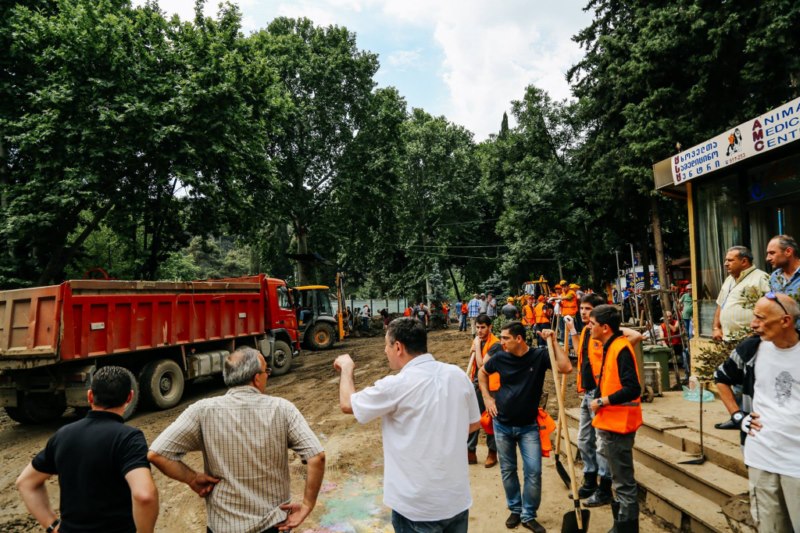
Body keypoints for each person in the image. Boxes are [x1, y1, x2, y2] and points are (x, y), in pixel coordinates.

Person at [148, 347, 325, 533]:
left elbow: (157, 454)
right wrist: (307, 505)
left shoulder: (202, 411)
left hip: (222, 527)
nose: (268, 375)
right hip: (273, 525)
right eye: (266, 370)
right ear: (256, 378)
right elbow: (317, 456)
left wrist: (191, 478)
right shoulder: (283, 409)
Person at [334, 317, 480, 532]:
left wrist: (347, 368)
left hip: (417, 508)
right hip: (456, 501)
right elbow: (474, 424)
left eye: (386, 345)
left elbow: (348, 404)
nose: (385, 350)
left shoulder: (396, 385)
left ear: (398, 347)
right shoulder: (457, 375)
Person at [16, 366, 159, 533]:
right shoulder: (128, 438)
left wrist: (52, 525)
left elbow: (25, 482)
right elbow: (144, 495)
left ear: (90, 395)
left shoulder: (63, 435)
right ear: (129, 397)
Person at [713, 293, 800, 533]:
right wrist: (738, 416)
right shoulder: (751, 349)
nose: (753, 324)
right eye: (754, 317)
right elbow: (721, 377)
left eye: (761, 318)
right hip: (761, 457)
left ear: (785, 321)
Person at [479, 321, 572, 532]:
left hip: (529, 426)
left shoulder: (539, 356)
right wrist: (487, 398)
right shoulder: (500, 357)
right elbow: (482, 373)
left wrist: (553, 342)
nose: (501, 342)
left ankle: (528, 514)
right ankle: (515, 508)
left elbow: (566, 368)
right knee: (508, 469)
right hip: (502, 424)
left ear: (519, 339)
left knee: (534, 471)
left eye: (506, 338)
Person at [565, 294, 642, 509]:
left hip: (608, 402)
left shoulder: (616, 344)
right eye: (581, 308)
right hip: (592, 393)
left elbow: (632, 387)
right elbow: (581, 353)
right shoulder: (588, 333)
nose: (583, 313)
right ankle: (591, 480)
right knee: (584, 439)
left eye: (588, 310)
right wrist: (572, 331)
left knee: (604, 448)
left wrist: (616, 332)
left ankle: (605, 488)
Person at [588, 305, 643, 532]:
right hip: (613, 423)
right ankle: (620, 525)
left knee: (623, 484)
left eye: (592, 324)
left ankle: (626, 528)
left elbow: (633, 388)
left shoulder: (620, 348)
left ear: (604, 327)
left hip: (619, 424)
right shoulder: (612, 345)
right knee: (619, 481)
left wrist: (603, 401)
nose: (588, 327)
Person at [712, 246, 770, 342]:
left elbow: (770, 309)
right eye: (726, 260)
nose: (725, 264)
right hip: (726, 338)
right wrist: (716, 328)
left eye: (730, 260)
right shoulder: (729, 279)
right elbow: (720, 305)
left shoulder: (761, 278)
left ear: (744, 261)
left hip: (750, 340)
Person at [467, 314, 501, 467]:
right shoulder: (478, 341)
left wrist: (476, 345)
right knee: (473, 417)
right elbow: (473, 360)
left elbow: (482, 365)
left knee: (490, 418)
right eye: (477, 327)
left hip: (491, 387)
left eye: (483, 327)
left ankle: (492, 452)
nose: (479, 330)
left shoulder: (496, 345)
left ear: (490, 327)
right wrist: (475, 347)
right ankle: (470, 451)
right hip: (476, 384)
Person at [766, 234, 800, 329]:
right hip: (784, 333)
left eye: (772, 253)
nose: (768, 258)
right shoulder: (774, 277)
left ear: (788, 251)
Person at [679, 284, 693, 370]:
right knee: (686, 332)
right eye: (688, 290)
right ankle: (687, 342)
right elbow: (679, 302)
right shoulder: (685, 296)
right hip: (685, 316)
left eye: (690, 290)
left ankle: (690, 343)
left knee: (691, 333)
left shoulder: (694, 296)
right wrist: (680, 309)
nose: (689, 291)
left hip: (691, 317)